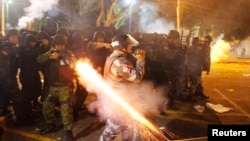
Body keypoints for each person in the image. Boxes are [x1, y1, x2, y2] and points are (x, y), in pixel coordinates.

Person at [100, 34, 146, 141]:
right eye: (129, 45)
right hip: (118, 105)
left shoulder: (113, 57)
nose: (131, 47)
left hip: (119, 102)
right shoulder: (120, 62)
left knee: (127, 130)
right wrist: (141, 60)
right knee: (111, 133)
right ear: (123, 46)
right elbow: (137, 78)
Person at [37, 34, 76, 141]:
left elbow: (74, 62)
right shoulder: (50, 53)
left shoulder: (68, 54)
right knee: (46, 106)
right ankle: (51, 125)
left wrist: (66, 59)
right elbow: (39, 59)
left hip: (65, 87)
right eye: (58, 45)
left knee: (65, 110)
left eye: (62, 45)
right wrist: (49, 57)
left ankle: (68, 131)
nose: (60, 47)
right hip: (52, 87)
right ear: (54, 45)